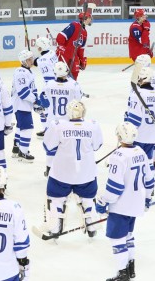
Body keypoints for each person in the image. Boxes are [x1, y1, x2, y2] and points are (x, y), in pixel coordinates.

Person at [95, 123, 154, 281]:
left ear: (120, 136)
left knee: (117, 238)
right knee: (128, 234)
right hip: (136, 203)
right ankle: (130, 267)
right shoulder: (141, 151)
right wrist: (147, 198)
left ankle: (122, 273)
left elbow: (114, 187)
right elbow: (150, 179)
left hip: (121, 205)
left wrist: (102, 201)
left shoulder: (118, 156)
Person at [41, 100, 103, 240]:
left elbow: (47, 146)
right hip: (86, 173)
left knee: (56, 198)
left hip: (62, 173)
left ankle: (54, 226)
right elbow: (97, 146)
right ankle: (91, 223)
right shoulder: (93, 125)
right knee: (88, 198)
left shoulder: (58, 125)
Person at [124, 67, 155, 194]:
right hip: (152, 137)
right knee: (149, 161)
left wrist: (126, 133)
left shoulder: (136, 95)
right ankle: (150, 187)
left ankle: (135, 187)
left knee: (134, 161)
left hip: (137, 136)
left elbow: (135, 120)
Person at [134, 54, 155, 175]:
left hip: (143, 115)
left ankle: (144, 168)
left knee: (143, 141)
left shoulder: (136, 78)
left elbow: (133, 100)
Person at [41, 61, 83, 150]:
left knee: (50, 149)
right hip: (68, 122)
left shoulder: (48, 84)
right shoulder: (74, 85)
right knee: (67, 149)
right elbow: (78, 102)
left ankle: (49, 164)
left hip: (52, 122)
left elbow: (44, 102)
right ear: (67, 70)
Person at [11, 49, 42, 162]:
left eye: (31, 58)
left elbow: (31, 89)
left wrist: (36, 103)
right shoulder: (21, 73)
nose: (32, 60)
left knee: (21, 127)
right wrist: (36, 101)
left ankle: (16, 148)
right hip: (20, 105)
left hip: (23, 105)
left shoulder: (27, 71)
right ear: (24, 61)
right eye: (29, 59)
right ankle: (23, 153)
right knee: (27, 128)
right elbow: (23, 92)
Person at [56, 9, 92, 80]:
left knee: (75, 72)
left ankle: (72, 89)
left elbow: (81, 49)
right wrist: (61, 47)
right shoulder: (74, 25)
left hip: (73, 56)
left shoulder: (85, 33)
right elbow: (60, 36)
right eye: (89, 18)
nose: (90, 20)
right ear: (85, 18)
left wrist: (81, 61)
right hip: (65, 54)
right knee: (62, 73)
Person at [34, 36, 58, 138]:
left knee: (43, 108)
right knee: (52, 109)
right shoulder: (52, 53)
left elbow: (38, 62)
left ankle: (47, 130)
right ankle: (49, 129)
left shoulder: (42, 60)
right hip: (58, 82)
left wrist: (46, 92)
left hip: (50, 85)